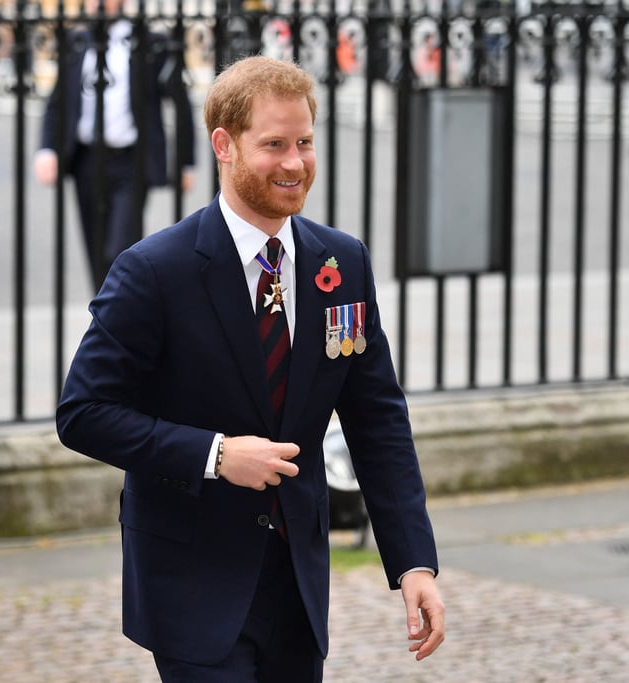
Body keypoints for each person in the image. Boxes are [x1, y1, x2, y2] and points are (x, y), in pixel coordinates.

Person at [56, 55, 445, 681]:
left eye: (305, 143)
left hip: (298, 583)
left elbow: (379, 422)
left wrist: (413, 564)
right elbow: (83, 414)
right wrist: (215, 454)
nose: (295, 163)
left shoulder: (343, 263)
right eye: (274, 145)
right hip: (192, 582)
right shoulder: (155, 271)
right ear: (224, 145)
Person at [34, 0, 196, 290]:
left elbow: (179, 103)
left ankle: (124, 315)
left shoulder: (149, 42)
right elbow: (58, 101)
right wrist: (47, 150)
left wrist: (184, 162)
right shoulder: (76, 39)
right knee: (94, 251)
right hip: (85, 159)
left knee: (121, 249)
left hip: (130, 162)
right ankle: (107, 319)